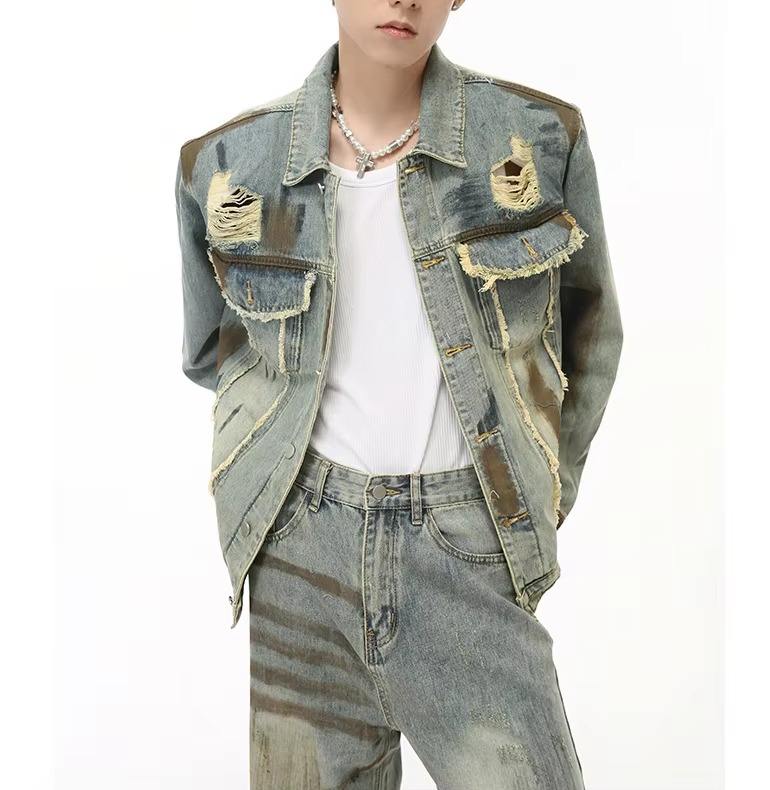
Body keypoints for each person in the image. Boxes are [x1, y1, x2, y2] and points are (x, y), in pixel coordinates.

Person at [174, 1, 623, 787]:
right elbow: (217, 352)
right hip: (300, 552)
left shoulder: (539, 140)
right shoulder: (226, 164)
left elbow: (592, 336)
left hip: (467, 543)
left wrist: (529, 494)